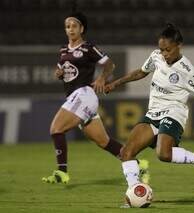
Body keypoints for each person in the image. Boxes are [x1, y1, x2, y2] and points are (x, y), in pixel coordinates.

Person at [105, 23, 194, 189]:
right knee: (126, 153)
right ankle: (135, 191)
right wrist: (115, 84)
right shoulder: (156, 57)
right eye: (161, 50)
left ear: (179, 46)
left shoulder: (188, 71)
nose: (164, 54)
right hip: (153, 113)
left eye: (168, 50)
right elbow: (140, 72)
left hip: (174, 112)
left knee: (163, 154)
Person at [42, 11, 149, 184]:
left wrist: (101, 78)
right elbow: (66, 72)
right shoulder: (62, 51)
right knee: (104, 142)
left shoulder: (88, 48)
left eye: (74, 26)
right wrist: (59, 74)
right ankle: (138, 165)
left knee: (56, 129)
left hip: (84, 95)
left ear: (82, 28)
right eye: (67, 26)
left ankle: (61, 172)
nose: (70, 29)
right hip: (75, 98)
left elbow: (109, 64)